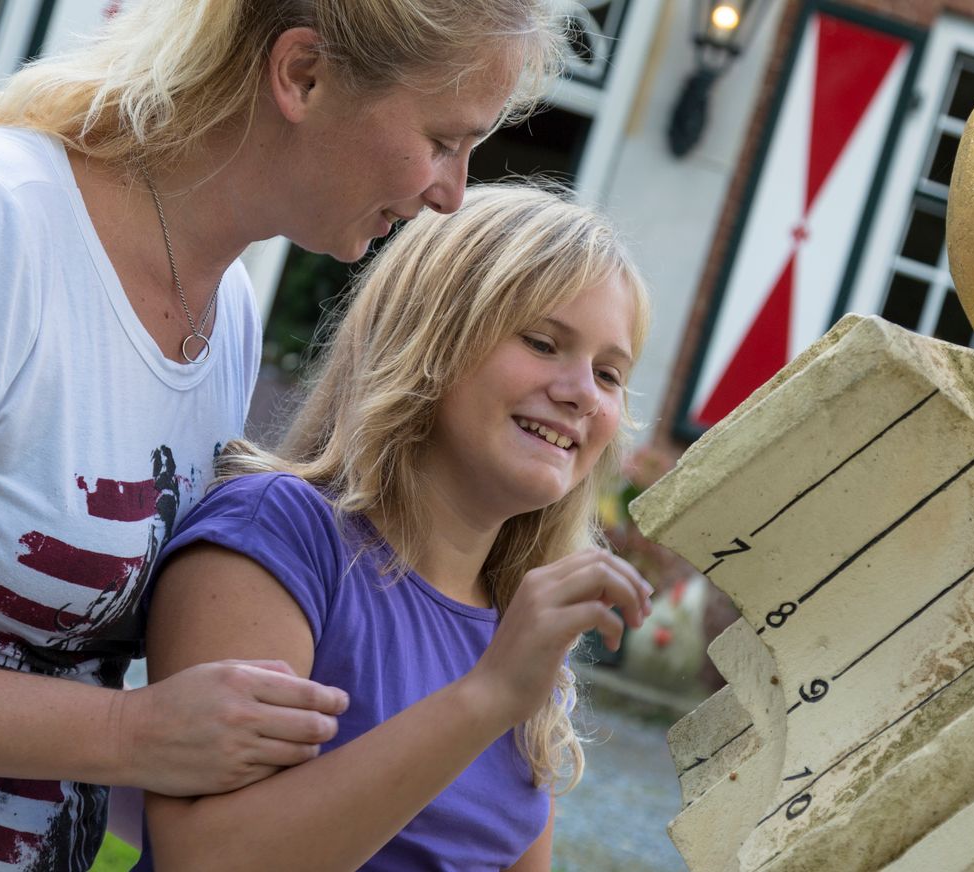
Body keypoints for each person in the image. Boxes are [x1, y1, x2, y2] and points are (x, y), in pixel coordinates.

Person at [0, 1, 565, 868]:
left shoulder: (227, 319)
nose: (451, 194)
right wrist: (126, 733)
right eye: (442, 142)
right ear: (302, 74)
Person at [139, 184, 654, 871]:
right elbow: (205, 860)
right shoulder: (279, 534)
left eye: (610, 374)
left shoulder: (518, 623)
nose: (582, 393)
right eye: (541, 342)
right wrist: (487, 697)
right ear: (432, 338)